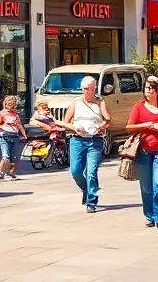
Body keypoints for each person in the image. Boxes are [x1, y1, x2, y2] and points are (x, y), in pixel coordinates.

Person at [127, 75, 158, 231]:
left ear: (157, 90)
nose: (149, 91)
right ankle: (150, 214)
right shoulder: (138, 107)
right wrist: (147, 125)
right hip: (143, 151)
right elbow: (129, 127)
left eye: (152, 88)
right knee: (146, 187)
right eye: (147, 88)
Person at [59, 75, 111, 213]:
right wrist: (75, 128)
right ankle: (86, 189)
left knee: (91, 172)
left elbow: (108, 119)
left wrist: (102, 126)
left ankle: (91, 201)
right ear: (82, 89)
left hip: (95, 141)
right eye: (87, 89)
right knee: (76, 171)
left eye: (92, 89)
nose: (89, 91)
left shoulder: (100, 103)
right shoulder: (76, 103)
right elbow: (66, 122)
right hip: (78, 140)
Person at [0, 95, 27, 181]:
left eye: (10, 104)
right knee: (5, 156)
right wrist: (3, 127)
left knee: (15, 156)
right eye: (7, 104)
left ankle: (11, 172)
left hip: (15, 135)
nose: (8, 106)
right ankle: (1, 172)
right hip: (4, 136)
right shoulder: (2, 113)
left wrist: (24, 135)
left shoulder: (15, 114)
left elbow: (19, 125)